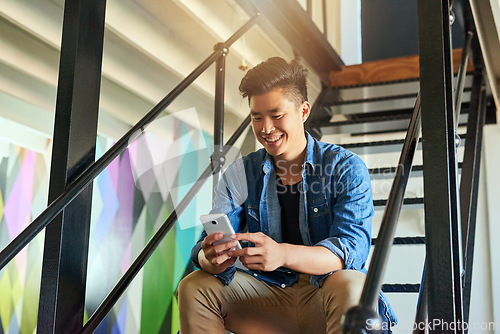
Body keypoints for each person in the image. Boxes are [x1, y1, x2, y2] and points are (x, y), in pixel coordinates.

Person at [177, 57, 396, 333]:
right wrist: (212, 258)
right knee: (194, 286)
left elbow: (349, 251)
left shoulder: (345, 167)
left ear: (304, 111)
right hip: (268, 298)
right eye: (257, 117)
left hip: (325, 297)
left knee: (353, 284)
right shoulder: (241, 173)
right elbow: (204, 249)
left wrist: (282, 254)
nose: (266, 129)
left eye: (276, 115)